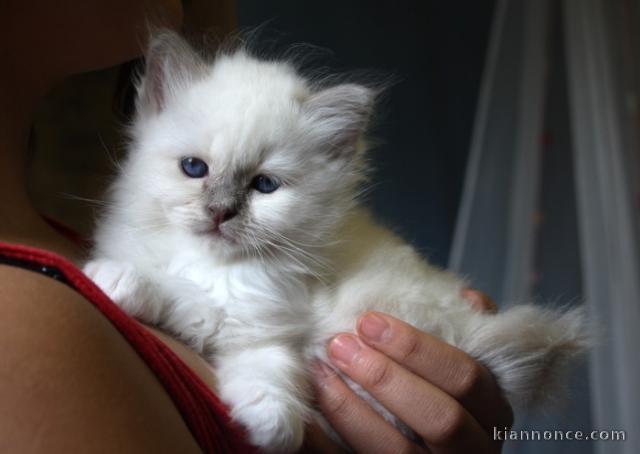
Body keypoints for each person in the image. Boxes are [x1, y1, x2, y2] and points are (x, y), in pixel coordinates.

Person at [0, 1, 513, 452]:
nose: (220, 207)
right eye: (195, 169)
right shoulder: (24, 317)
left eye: (263, 184)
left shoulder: (62, 254)